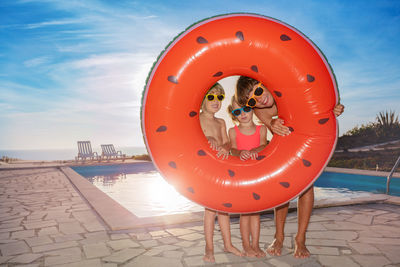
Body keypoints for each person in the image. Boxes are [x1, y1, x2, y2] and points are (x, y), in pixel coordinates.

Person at [236, 76, 345, 258]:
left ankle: (300, 238)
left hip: (306, 141)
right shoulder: (259, 110)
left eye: (259, 91)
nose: (260, 99)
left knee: (307, 187)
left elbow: (314, 101)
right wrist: (272, 122)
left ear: (265, 83)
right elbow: (271, 126)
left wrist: (333, 108)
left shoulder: (285, 89)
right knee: (283, 190)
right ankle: (279, 237)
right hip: (285, 147)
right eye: (253, 100)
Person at [199, 83, 242, 262]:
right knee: (210, 210)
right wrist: (207, 138)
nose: (215, 101)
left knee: (224, 208)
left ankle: (228, 244)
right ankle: (209, 248)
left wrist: (224, 148)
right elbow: (193, 140)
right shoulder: (197, 119)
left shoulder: (221, 122)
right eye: (211, 97)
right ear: (202, 100)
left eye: (219, 97)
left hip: (221, 167)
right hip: (206, 169)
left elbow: (227, 143)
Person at [227, 96, 268, 257]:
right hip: (241, 176)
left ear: (252, 108)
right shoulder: (233, 131)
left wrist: (254, 151)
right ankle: (246, 245)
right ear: (234, 115)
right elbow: (233, 150)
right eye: (238, 111)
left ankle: (255, 245)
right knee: (245, 212)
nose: (243, 114)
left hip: (257, 174)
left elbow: (264, 145)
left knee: (255, 212)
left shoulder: (261, 129)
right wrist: (241, 153)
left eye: (246, 109)